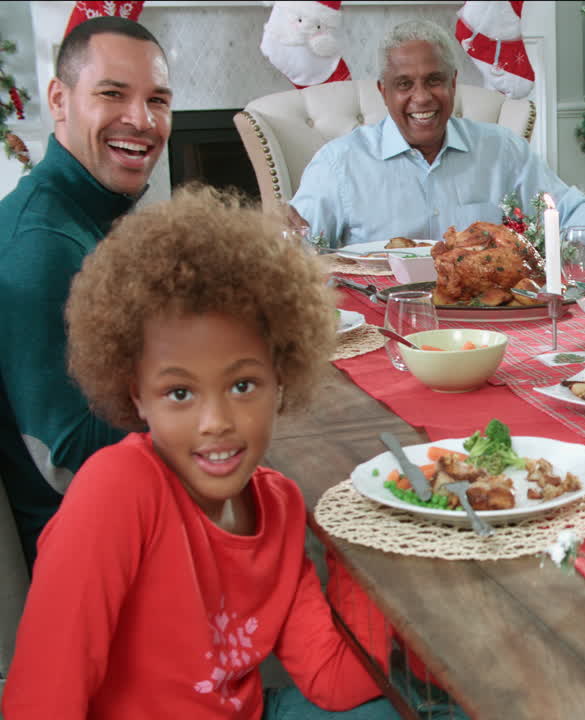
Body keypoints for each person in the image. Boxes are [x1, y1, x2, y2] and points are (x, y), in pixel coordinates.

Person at [2, 186, 400, 719]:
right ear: (134, 393)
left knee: (405, 708)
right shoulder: (116, 490)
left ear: (281, 377)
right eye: (180, 393)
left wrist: (362, 539)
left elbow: (334, 682)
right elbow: (41, 699)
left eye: (242, 386)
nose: (216, 423)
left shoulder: (278, 505)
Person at [0, 16, 171, 570]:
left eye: (158, 100)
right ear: (59, 98)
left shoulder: (86, 213)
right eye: (112, 94)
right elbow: (68, 460)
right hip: (88, 557)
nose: (142, 121)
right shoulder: (42, 246)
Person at [290, 19, 585, 255]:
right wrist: (275, 234)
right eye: (404, 85)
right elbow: (298, 245)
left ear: (453, 83)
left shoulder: (501, 149)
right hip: (383, 321)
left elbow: (562, 209)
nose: (422, 97)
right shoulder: (339, 163)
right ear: (384, 92)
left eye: (434, 80)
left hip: (486, 318)